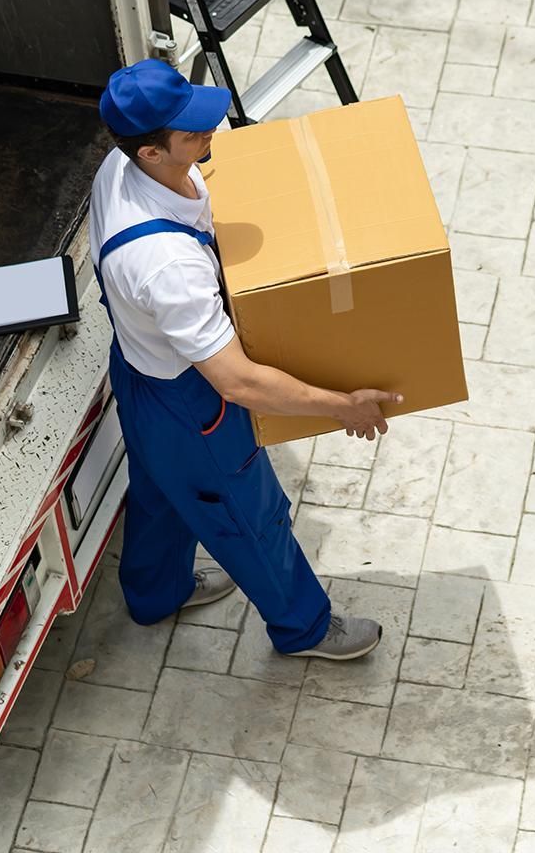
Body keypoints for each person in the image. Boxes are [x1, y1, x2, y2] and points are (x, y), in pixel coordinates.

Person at [90, 58, 399, 660]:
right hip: (188, 397)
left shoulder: (120, 163)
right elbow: (238, 382)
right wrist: (343, 406)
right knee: (248, 518)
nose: (211, 132)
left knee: (159, 488)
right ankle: (306, 629)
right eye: (192, 132)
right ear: (151, 153)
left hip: (139, 370)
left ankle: (157, 594)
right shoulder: (166, 265)